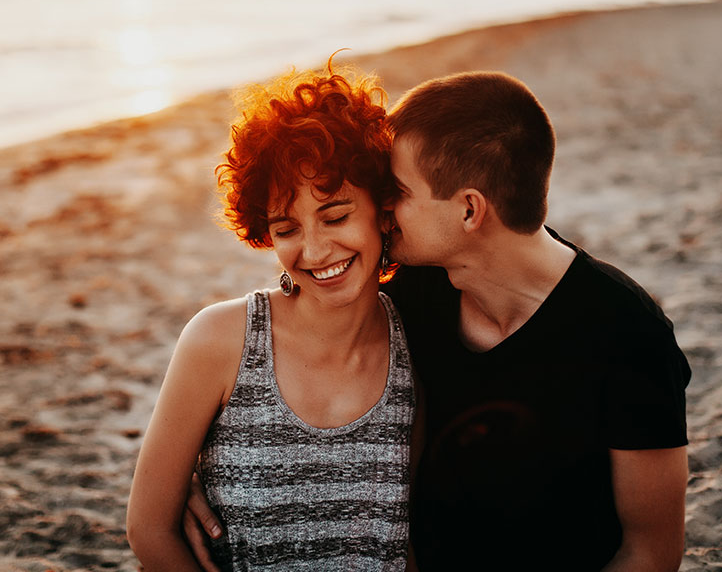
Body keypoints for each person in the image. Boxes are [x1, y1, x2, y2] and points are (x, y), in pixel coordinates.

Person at [185, 70, 691, 571]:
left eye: (398, 192)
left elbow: (651, 551)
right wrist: (198, 475)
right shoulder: (414, 290)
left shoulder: (626, 333)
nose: (382, 208)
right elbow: (296, 318)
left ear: (470, 210)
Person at [126, 60, 417, 571]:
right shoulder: (219, 341)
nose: (315, 249)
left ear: (383, 208)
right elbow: (150, 528)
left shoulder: (419, 341)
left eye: (336, 215)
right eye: (286, 229)